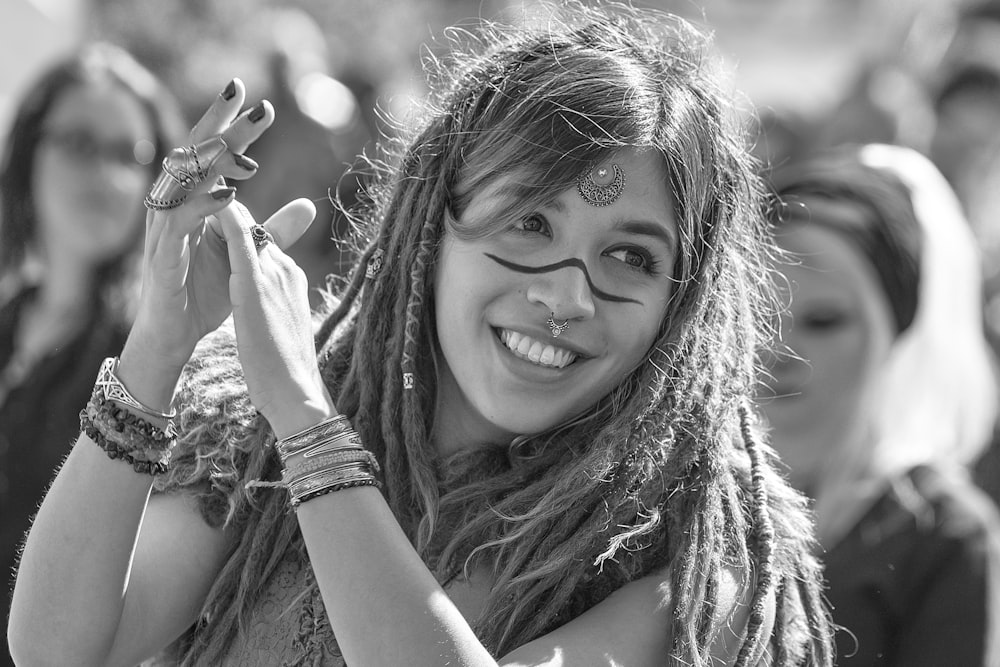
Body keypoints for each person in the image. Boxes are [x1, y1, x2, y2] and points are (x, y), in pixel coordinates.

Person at [8, 4, 835, 666]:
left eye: (628, 257)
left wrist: (308, 427)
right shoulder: (254, 431)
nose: (565, 297)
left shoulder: (693, 560)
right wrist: (158, 346)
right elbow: (59, 649)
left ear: (680, 307)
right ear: (431, 232)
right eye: (532, 222)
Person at [761, 143, 1000, 666]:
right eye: (759, 313)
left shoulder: (942, 536)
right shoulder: (678, 490)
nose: (777, 349)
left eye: (824, 321)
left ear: (889, 338)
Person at [0, 41, 184, 666]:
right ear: (27, 153)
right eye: (79, 144)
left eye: (128, 155)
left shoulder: (155, 360)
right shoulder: (8, 319)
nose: (105, 176)